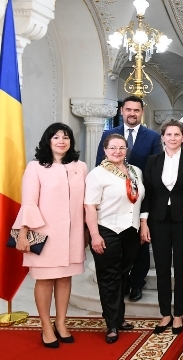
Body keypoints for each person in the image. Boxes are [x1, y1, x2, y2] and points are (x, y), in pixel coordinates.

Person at [13, 123, 87, 348]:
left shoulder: (80, 166)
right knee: (44, 281)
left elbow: (86, 203)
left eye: (66, 137)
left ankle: (61, 323)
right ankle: (46, 326)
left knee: (65, 278)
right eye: (56, 137)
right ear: (48, 141)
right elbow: (28, 202)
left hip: (72, 235)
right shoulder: (36, 167)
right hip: (43, 234)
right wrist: (23, 234)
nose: (61, 141)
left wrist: (86, 231)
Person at [139, 120, 183, 335]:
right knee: (162, 268)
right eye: (169, 134)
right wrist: (144, 221)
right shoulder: (152, 160)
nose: (173, 138)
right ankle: (165, 313)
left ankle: (178, 314)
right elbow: (147, 192)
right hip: (158, 220)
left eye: (177, 134)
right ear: (163, 137)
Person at [96, 95, 161, 302]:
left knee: (140, 245)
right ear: (122, 110)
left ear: (141, 112)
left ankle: (136, 284)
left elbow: (153, 169)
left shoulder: (151, 137)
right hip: (113, 203)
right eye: (128, 110)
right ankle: (121, 282)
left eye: (136, 110)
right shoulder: (109, 134)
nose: (132, 113)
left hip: (139, 200)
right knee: (117, 247)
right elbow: (100, 164)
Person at [86, 134, 145, 344]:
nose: (117, 151)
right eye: (113, 148)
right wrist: (94, 235)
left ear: (126, 149)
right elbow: (90, 206)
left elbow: (138, 201)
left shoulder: (135, 171)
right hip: (106, 230)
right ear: (105, 150)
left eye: (121, 147)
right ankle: (111, 323)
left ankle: (119, 318)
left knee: (122, 276)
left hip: (130, 230)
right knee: (109, 277)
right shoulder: (97, 174)